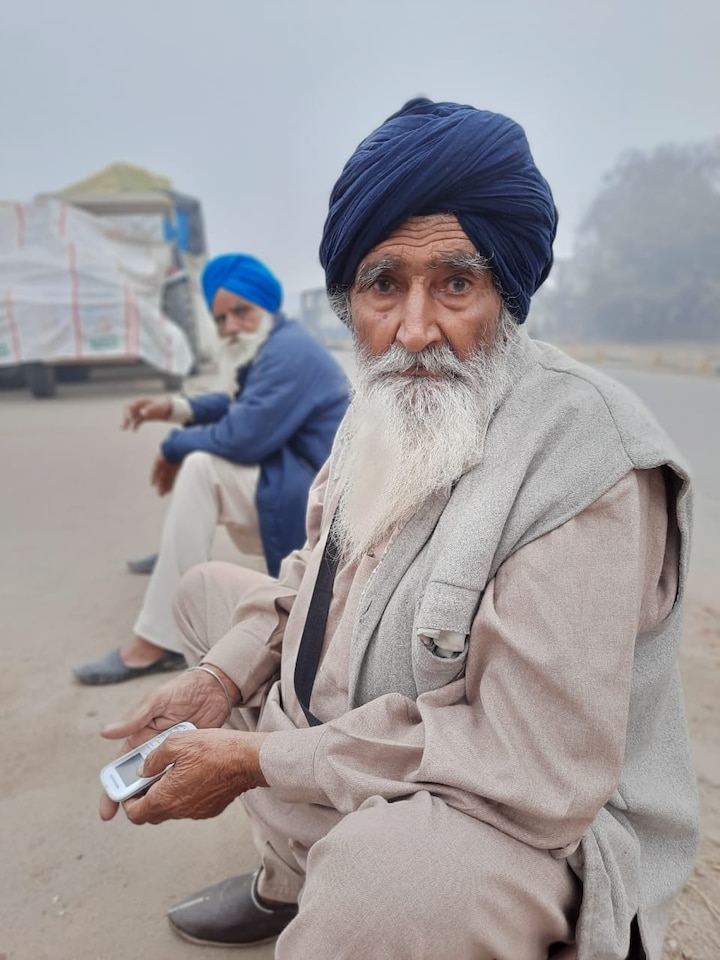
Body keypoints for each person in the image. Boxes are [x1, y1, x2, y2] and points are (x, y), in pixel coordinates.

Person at [98, 98, 698, 960]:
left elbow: (529, 767)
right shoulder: (382, 398)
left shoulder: (586, 454)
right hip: (373, 733)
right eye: (385, 285)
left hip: (530, 819)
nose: (416, 329)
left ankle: (335, 881)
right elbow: (313, 568)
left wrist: (257, 762)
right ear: (352, 300)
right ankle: (292, 871)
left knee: (384, 889)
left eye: (455, 283)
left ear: (505, 291)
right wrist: (221, 681)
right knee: (208, 601)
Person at [74, 253, 349, 684]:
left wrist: (173, 445)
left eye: (241, 311)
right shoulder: (276, 343)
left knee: (203, 466)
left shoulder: (289, 353)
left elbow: (242, 436)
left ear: (266, 305)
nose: (230, 327)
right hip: (293, 474)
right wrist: (176, 408)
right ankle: (177, 552)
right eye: (220, 319)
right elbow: (238, 401)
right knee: (201, 471)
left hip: (316, 503)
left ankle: (160, 640)